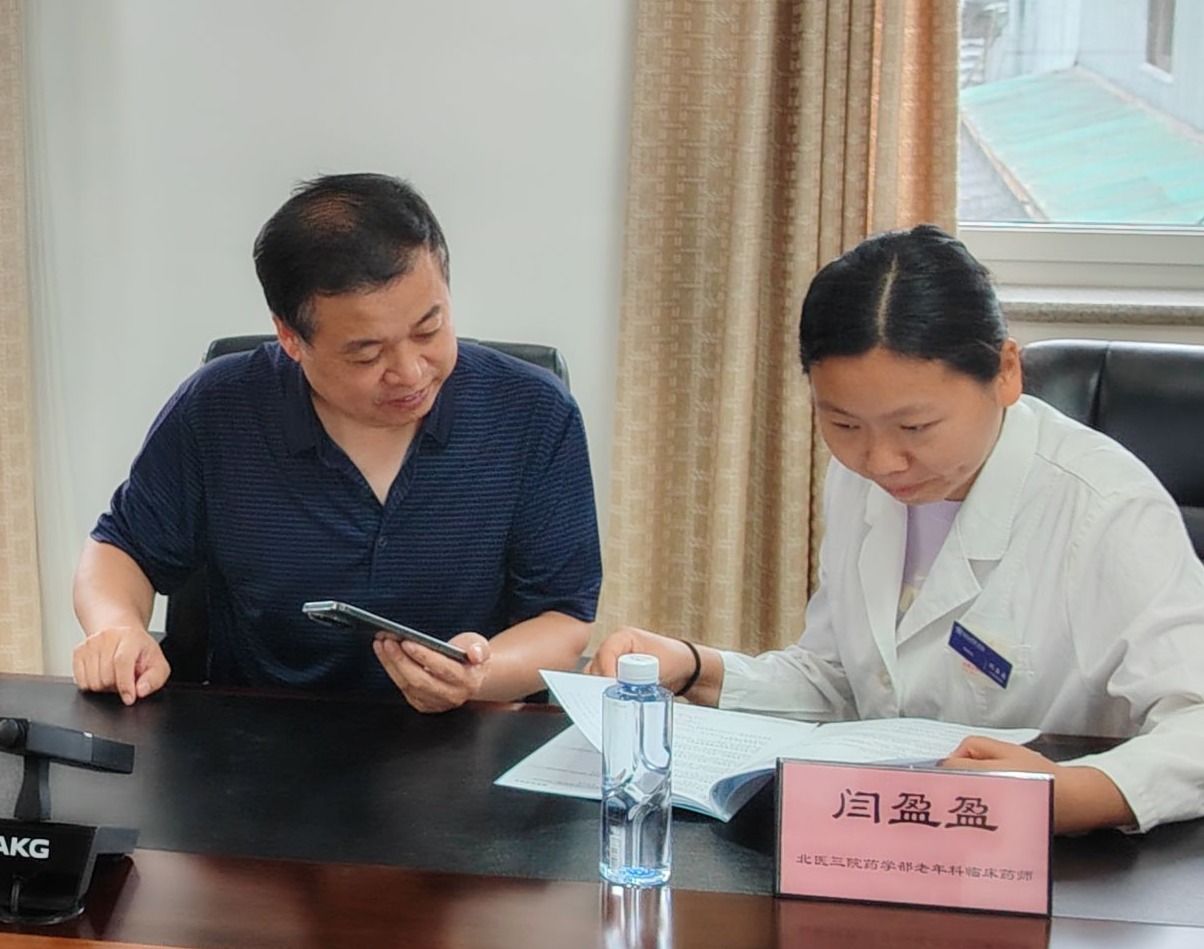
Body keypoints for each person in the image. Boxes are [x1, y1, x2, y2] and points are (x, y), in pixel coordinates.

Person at [590, 224, 1204, 834]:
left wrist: (1068, 794)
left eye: (915, 428)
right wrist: (696, 667)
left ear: (1006, 372)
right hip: (899, 832)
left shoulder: (1105, 508)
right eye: (844, 425)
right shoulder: (860, 480)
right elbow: (845, 681)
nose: (881, 461)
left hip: (1061, 857)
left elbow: (1195, 724)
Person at [73, 173, 601, 711]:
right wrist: (117, 628)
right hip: (258, 735)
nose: (410, 372)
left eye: (429, 330)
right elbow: (120, 549)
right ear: (290, 337)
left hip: (469, 734)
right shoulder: (219, 408)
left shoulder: (533, 413)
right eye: (366, 354)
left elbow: (563, 617)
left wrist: (477, 677)